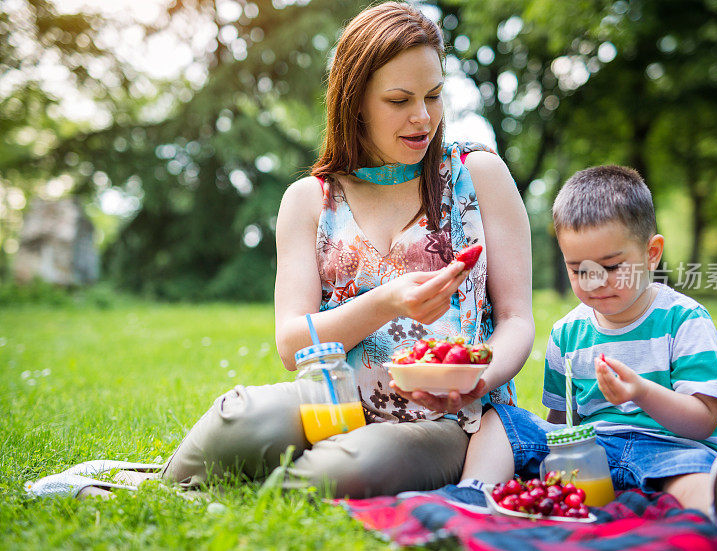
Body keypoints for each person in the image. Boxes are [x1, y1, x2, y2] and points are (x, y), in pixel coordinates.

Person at [26, 2, 534, 500]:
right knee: (239, 415)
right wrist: (386, 302)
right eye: (399, 101)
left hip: (448, 419)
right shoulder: (310, 200)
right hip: (334, 398)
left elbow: (516, 319)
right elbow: (293, 345)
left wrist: (479, 380)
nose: (422, 118)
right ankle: (155, 485)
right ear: (355, 101)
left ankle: (230, 492)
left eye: (434, 96)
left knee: (344, 470)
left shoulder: (477, 175)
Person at [436, 165, 717, 538]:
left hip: (670, 451)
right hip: (596, 450)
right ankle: (473, 495)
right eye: (579, 270)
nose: (595, 281)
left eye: (612, 267)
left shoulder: (684, 320)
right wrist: (556, 458)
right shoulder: (568, 332)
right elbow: (560, 422)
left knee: (691, 473)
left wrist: (641, 393)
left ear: (652, 254)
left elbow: (703, 421)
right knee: (501, 419)